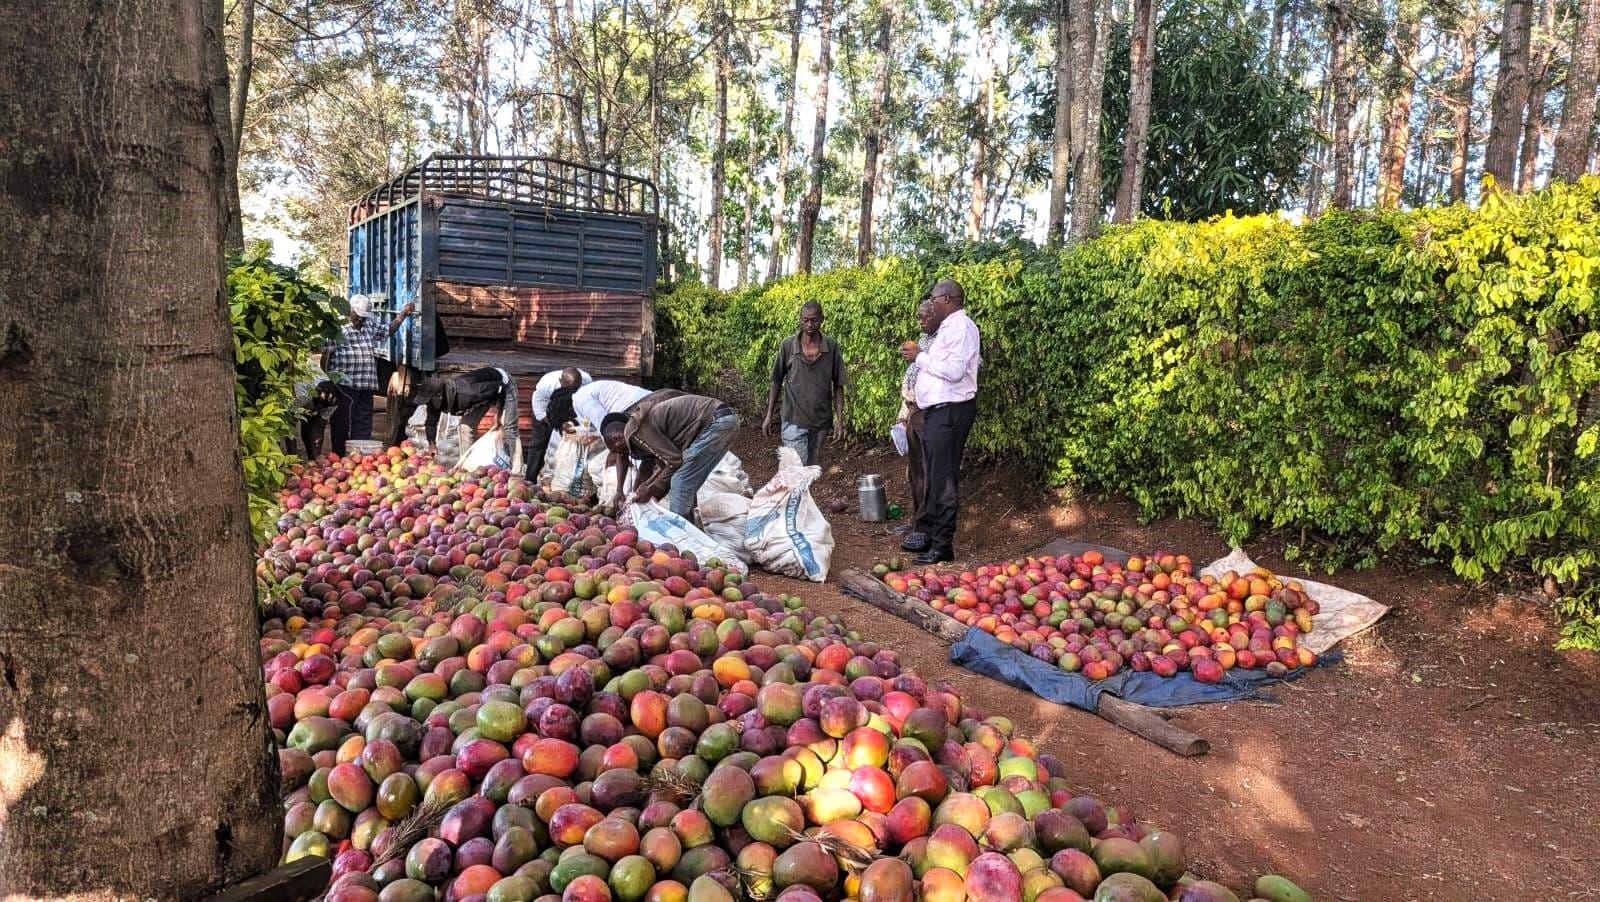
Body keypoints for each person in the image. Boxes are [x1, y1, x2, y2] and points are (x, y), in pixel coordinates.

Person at [900, 279, 979, 564]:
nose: (930, 303)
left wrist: (920, 357)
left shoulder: (961, 328)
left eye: (933, 298)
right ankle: (933, 537)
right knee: (934, 477)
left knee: (943, 480)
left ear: (946, 299)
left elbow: (955, 371)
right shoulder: (948, 328)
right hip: (938, 412)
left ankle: (943, 545)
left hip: (950, 412)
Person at [600, 389, 740, 518]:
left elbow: (674, 462)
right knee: (685, 480)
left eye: (618, 450)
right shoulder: (639, 429)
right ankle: (691, 529)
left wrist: (653, 488)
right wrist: (645, 486)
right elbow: (665, 465)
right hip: (723, 419)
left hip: (716, 422)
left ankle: (682, 535)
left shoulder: (635, 431)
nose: (622, 454)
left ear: (617, 439)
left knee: (680, 481)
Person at [324, 294, 413, 455]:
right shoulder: (337, 327)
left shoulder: (369, 323)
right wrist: (328, 382)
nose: (360, 319)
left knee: (363, 422)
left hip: (366, 383)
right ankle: (338, 455)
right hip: (345, 385)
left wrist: (402, 315)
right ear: (350, 310)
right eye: (357, 315)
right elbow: (326, 357)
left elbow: (387, 330)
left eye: (363, 316)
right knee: (341, 422)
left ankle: (357, 456)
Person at [763, 301, 846, 466]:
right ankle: (794, 492)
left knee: (810, 472)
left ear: (821, 320)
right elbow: (777, 380)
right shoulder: (788, 346)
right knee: (797, 472)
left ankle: (797, 492)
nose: (809, 324)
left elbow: (838, 385)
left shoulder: (831, 347)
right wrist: (768, 415)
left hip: (821, 421)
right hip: (793, 420)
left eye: (814, 320)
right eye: (805, 320)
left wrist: (839, 420)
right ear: (800, 320)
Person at [893, 298, 937, 545]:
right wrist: (903, 413)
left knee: (927, 473)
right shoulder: (923, 339)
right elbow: (913, 378)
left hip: (928, 412)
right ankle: (916, 519)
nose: (920, 321)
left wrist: (921, 356)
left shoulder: (943, 341)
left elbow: (967, 366)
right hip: (913, 412)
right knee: (915, 472)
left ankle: (925, 526)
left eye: (925, 317)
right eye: (918, 316)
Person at [410, 366, 520, 459]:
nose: (426, 404)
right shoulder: (434, 401)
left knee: (508, 429)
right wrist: (432, 445)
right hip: (485, 394)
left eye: (428, 401)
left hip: (504, 385)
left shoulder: (468, 392)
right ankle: (467, 468)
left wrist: (499, 413)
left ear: (439, 396)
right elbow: (431, 423)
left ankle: (515, 469)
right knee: (465, 428)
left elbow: (500, 387)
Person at [526, 366, 592, 481]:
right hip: (547, 410)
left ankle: (563, 480)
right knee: (539, 443)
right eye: (569, 388)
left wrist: (581, 427)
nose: (572, 391)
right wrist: (557, 425)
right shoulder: (546, 385)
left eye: (575, 388)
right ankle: (530, 479)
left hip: (571, 410)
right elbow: (540, 412)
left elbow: (587, 409)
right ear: (561, 381)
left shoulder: (587, 382)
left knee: (572, 446)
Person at [572, 379, 651, 431]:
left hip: (636, 405)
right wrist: (575, 429)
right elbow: (588, 425)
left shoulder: (580, 399)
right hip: (647, 397)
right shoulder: (582, 394)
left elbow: (604, 425)